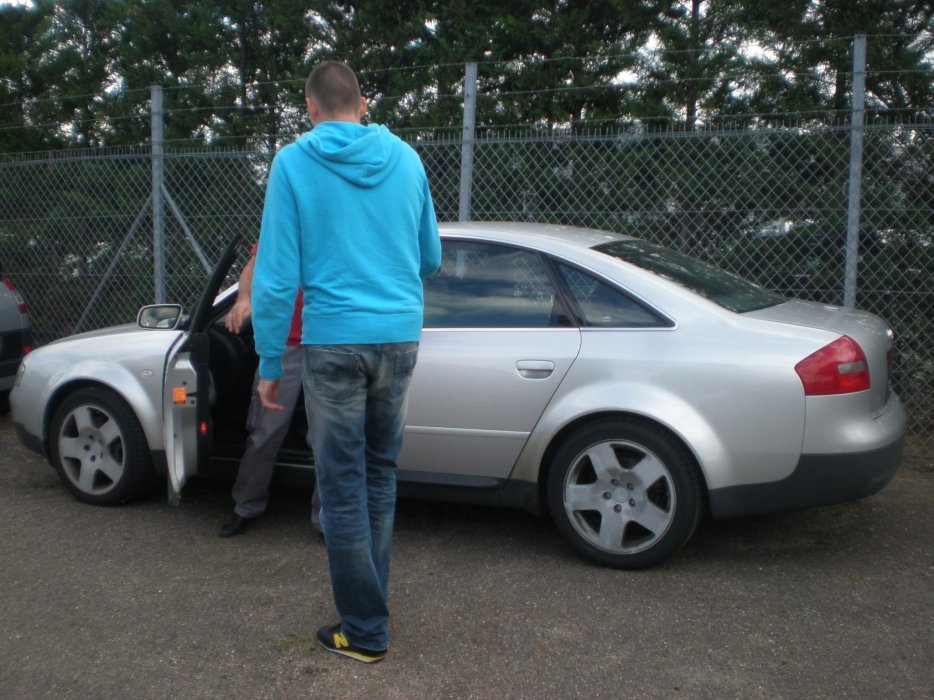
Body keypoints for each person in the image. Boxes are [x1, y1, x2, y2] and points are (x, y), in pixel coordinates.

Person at [251, 61, 441, 664]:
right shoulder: (407, 159)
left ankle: (363, 629)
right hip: (399, 338)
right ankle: (370, 605)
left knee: (341, 485)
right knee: (379, 474)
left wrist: (269, 359)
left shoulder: (293, 164)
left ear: (310, 108)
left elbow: (276, 275)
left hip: (333, 341)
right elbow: (430, 257)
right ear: (363, 104)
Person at [216, 248, 321, 538]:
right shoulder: (282, 224)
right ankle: (246, 507)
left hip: (328, 343)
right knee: (265, 432)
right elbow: (254, 265)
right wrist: (243, 298)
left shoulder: (344, 227)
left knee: (326, 438)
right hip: (282, 344)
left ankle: (327, 519)